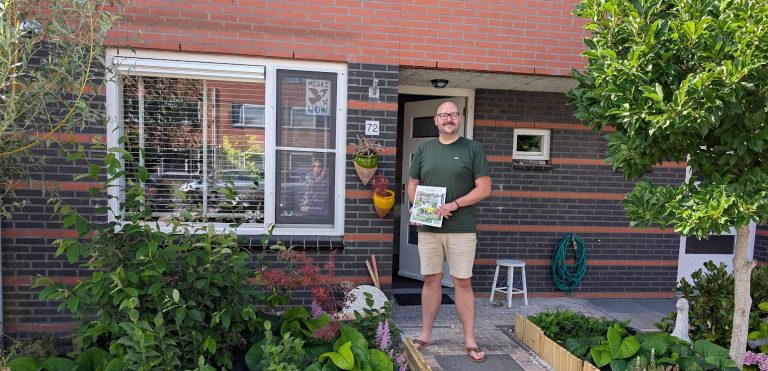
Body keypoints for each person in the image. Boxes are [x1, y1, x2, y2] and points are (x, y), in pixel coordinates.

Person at [407, 101, 491, 363]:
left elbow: (484, 188)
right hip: (429, 228)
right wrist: (416, 207)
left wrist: (455, 204)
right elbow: (413, 183)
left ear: (459, 119)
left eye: (453, 115)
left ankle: (469, 338)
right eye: (444, 115)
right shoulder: (424, 149)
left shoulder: (472, 148)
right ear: (436, 120)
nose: (448, 119)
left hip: (461, 229)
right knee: (431, 280)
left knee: (462, 282)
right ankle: (426, 334)